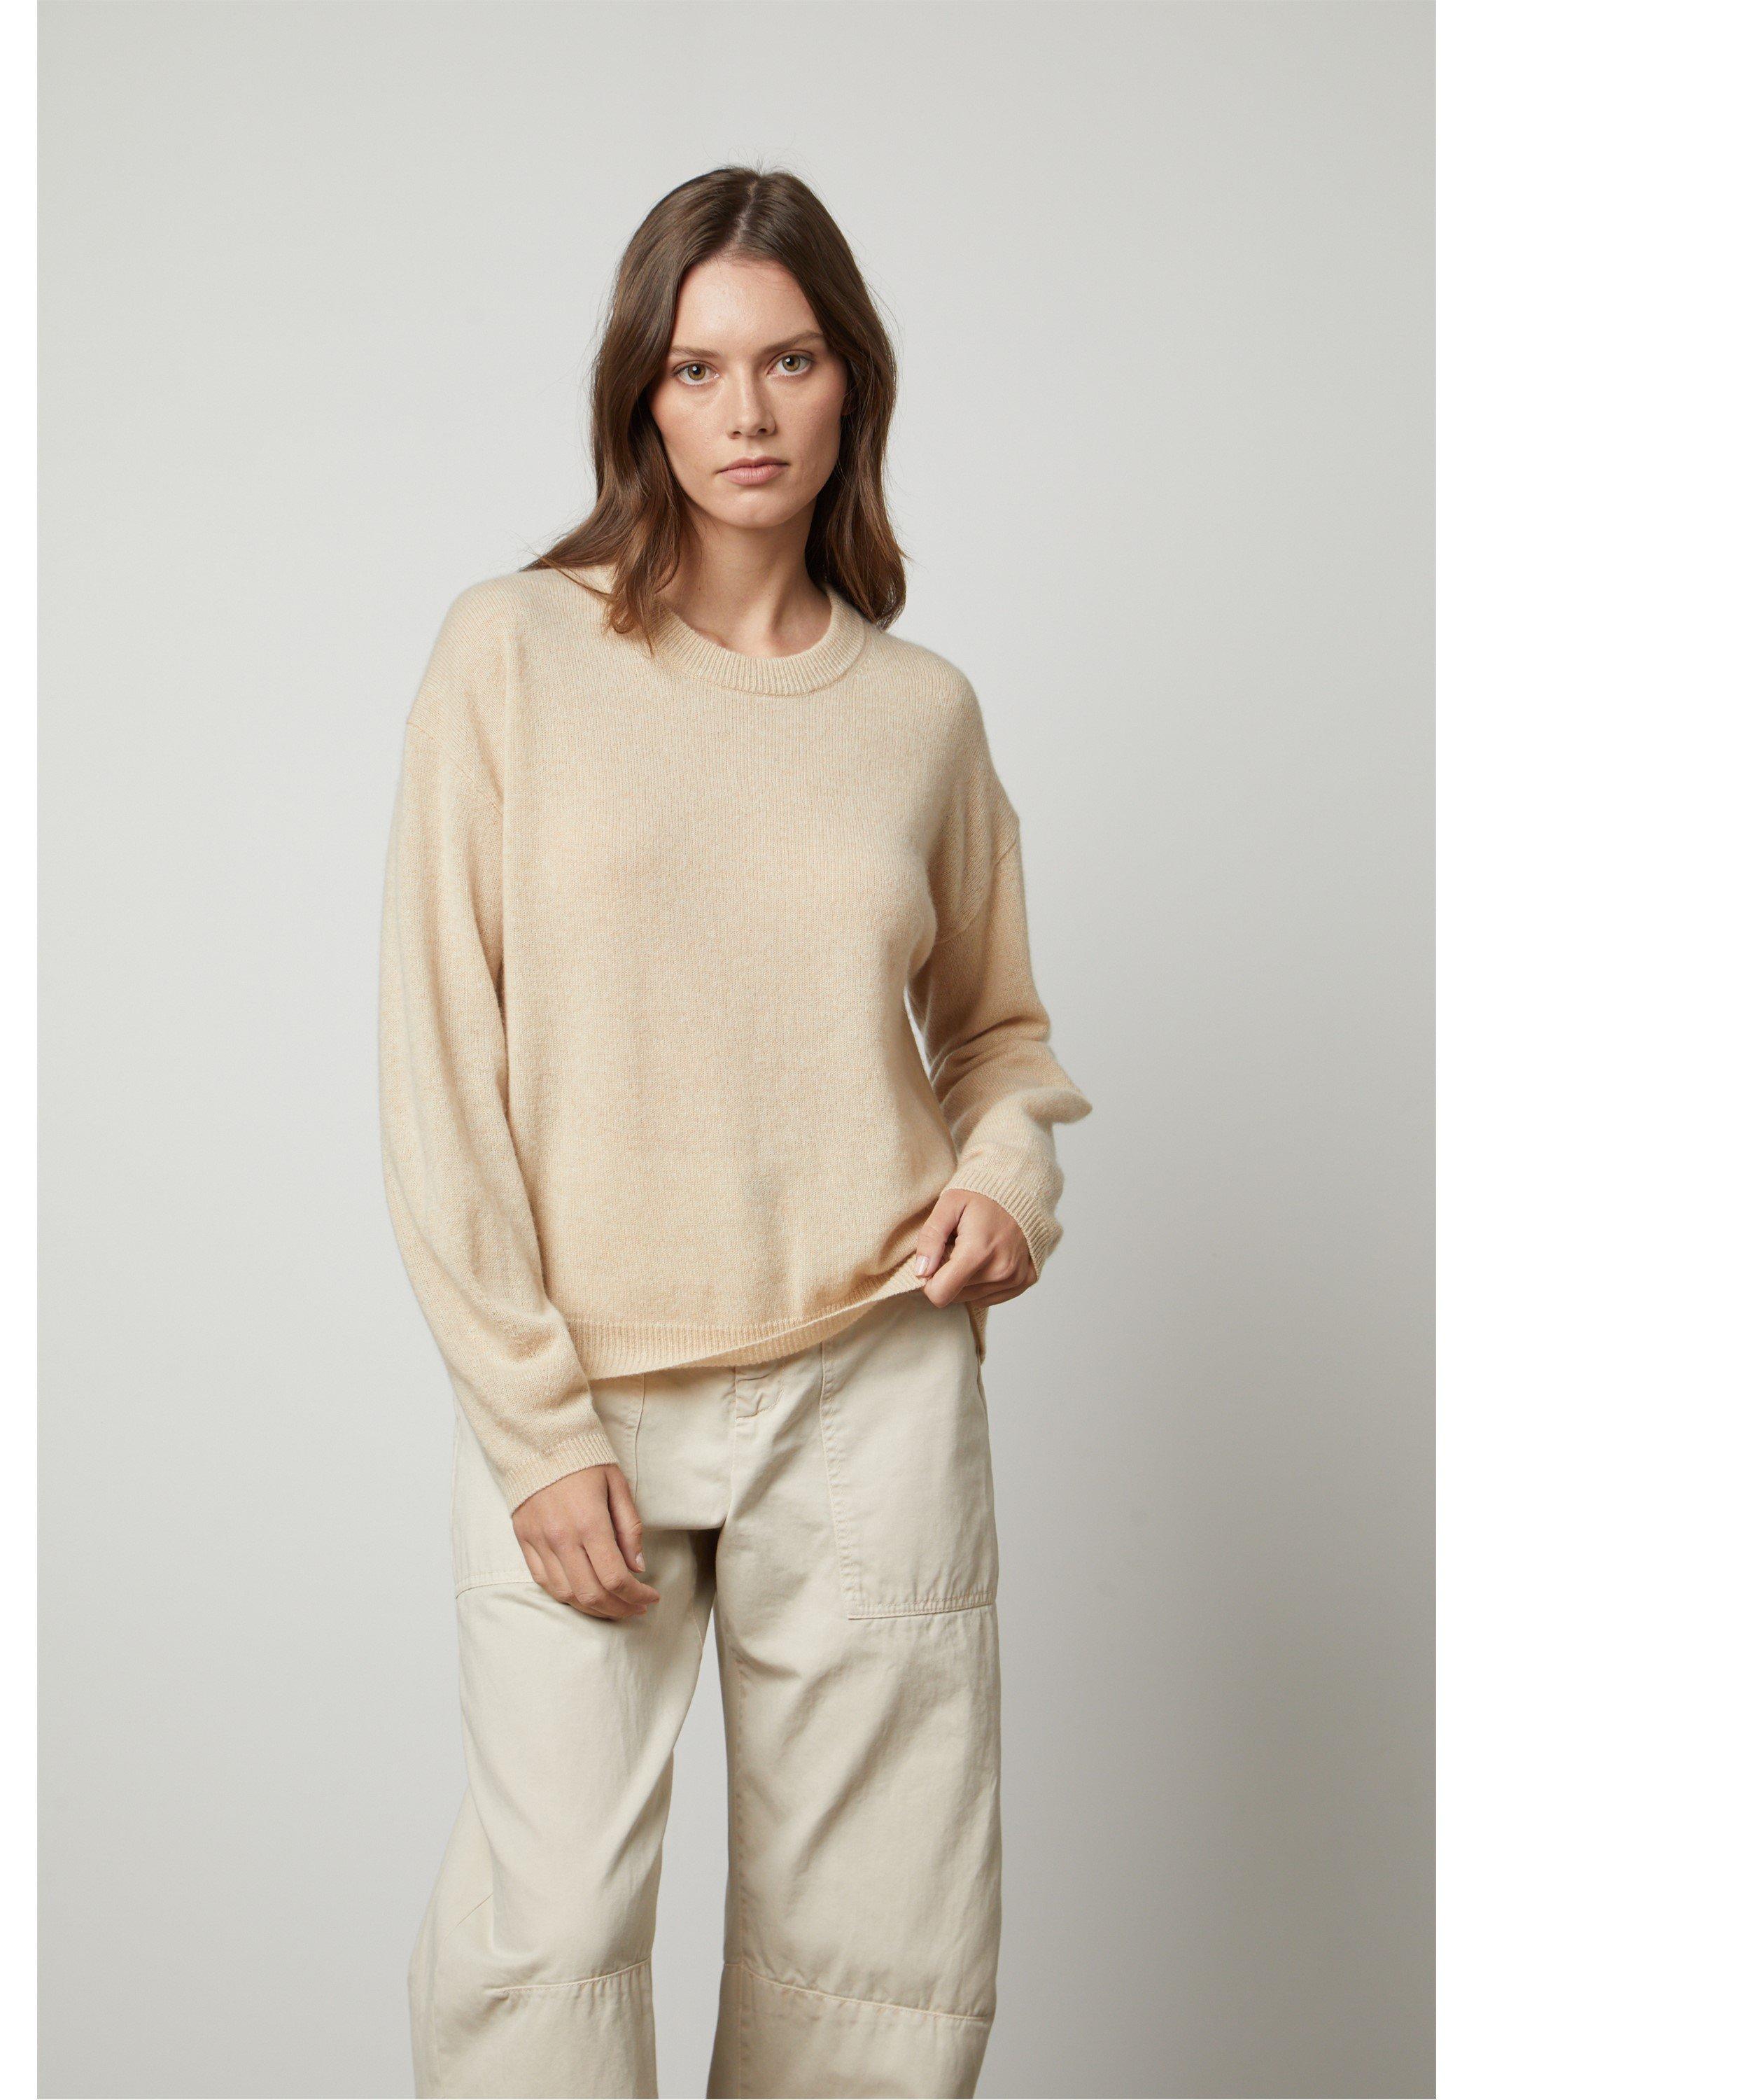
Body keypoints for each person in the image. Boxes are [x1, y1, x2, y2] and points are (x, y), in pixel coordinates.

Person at [378, 164, 1092, 2100]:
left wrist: (1006, 1182)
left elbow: (1000, 1038)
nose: (747, 412)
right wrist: (535, 1425)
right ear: (642, 395)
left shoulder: (920, 713)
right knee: (545, 1943)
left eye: (789, 361)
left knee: (877, 1958)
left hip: (871, 1382)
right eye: (697, 369)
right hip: (589, 1390)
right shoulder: (512, 653)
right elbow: (441, 1061)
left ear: (854, 382)